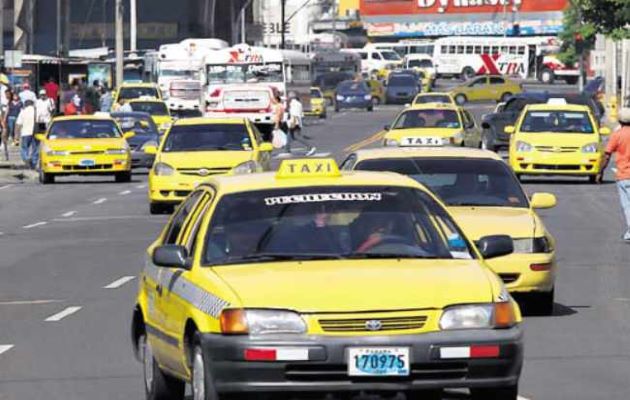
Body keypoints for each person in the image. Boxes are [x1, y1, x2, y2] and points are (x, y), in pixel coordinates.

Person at [598, 108, 630, 242]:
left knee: (627, 205)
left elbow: (607, 154)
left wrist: (600, 171)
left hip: (624, 175)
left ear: (619, 120)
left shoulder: (617, 135)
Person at [285, 91, 316, 156]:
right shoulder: (298, 103)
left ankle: (311, 147)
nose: (287, 98)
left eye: (288, 97)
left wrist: (292, 123)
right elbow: (301, 115)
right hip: (296, 122)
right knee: (289, 136)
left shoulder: (294, 104)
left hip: (294, 123)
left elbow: (294, 115)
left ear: (291, 97)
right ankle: (287, 150)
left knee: (297, 136)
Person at [15, 100, 37, 169]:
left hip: (25, 133)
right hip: (35, 132)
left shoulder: (23, 112)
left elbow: (18, 124)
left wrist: (16, 136)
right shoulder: (36, 111)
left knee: (24, 148)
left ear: (25, 105)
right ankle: (33, 163)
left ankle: (26, 158)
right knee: (35, 149)